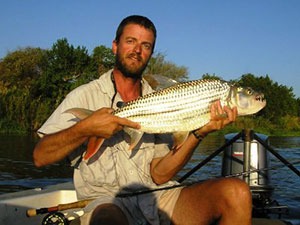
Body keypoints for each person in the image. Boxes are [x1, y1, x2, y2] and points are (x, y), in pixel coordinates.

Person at [33, 15, 252, 225]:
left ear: (150, 53)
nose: (137, 50)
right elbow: (40, 157)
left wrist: (199, 132)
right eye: (131, 41)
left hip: (158, 198)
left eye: (146, 46)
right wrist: (84, 128)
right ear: (115, 46)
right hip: (107, 201)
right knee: (107, 219)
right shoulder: (84, 95)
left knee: (237, 192)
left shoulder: (161, 98)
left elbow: (159, 175)